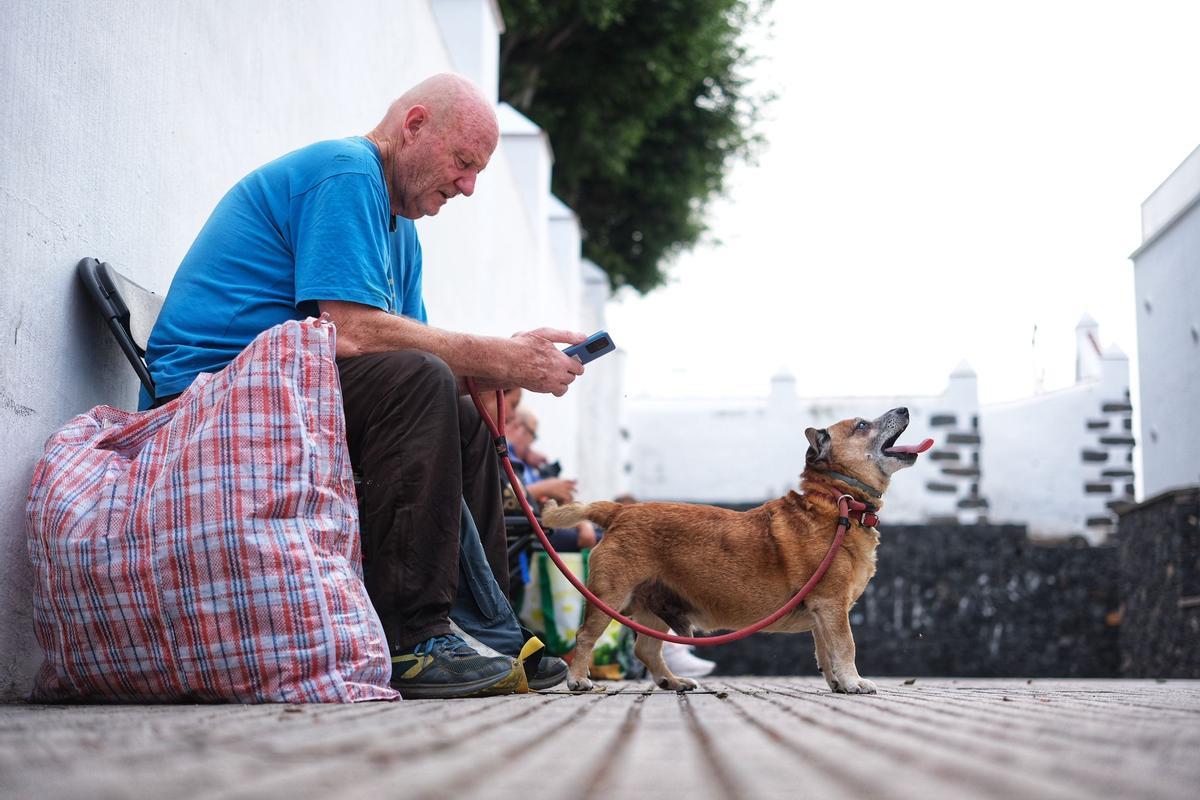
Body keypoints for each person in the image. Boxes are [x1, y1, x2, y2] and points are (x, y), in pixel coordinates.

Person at [144, 73, 584, 698]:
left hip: (285, 394)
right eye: (462, 163)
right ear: (414, 126)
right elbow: (346, 333)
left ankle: (485, 628)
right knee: (421, 380)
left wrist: (512, 368)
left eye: (478, 171)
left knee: (464, 414)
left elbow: (414, 364)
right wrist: (493, 356)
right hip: (205, 401)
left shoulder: (402, 233)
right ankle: (412, 637)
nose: (468, 187)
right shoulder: (348, 172)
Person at [504, 407, 598, 549]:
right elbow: (504, 494)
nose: (532, 443)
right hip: (526, 528)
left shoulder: (526, 463)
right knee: (604, 540)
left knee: (601, 534)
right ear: (518, 427)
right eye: (533, 435)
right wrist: (546, 488)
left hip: (537, 523)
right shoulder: (505, 456)